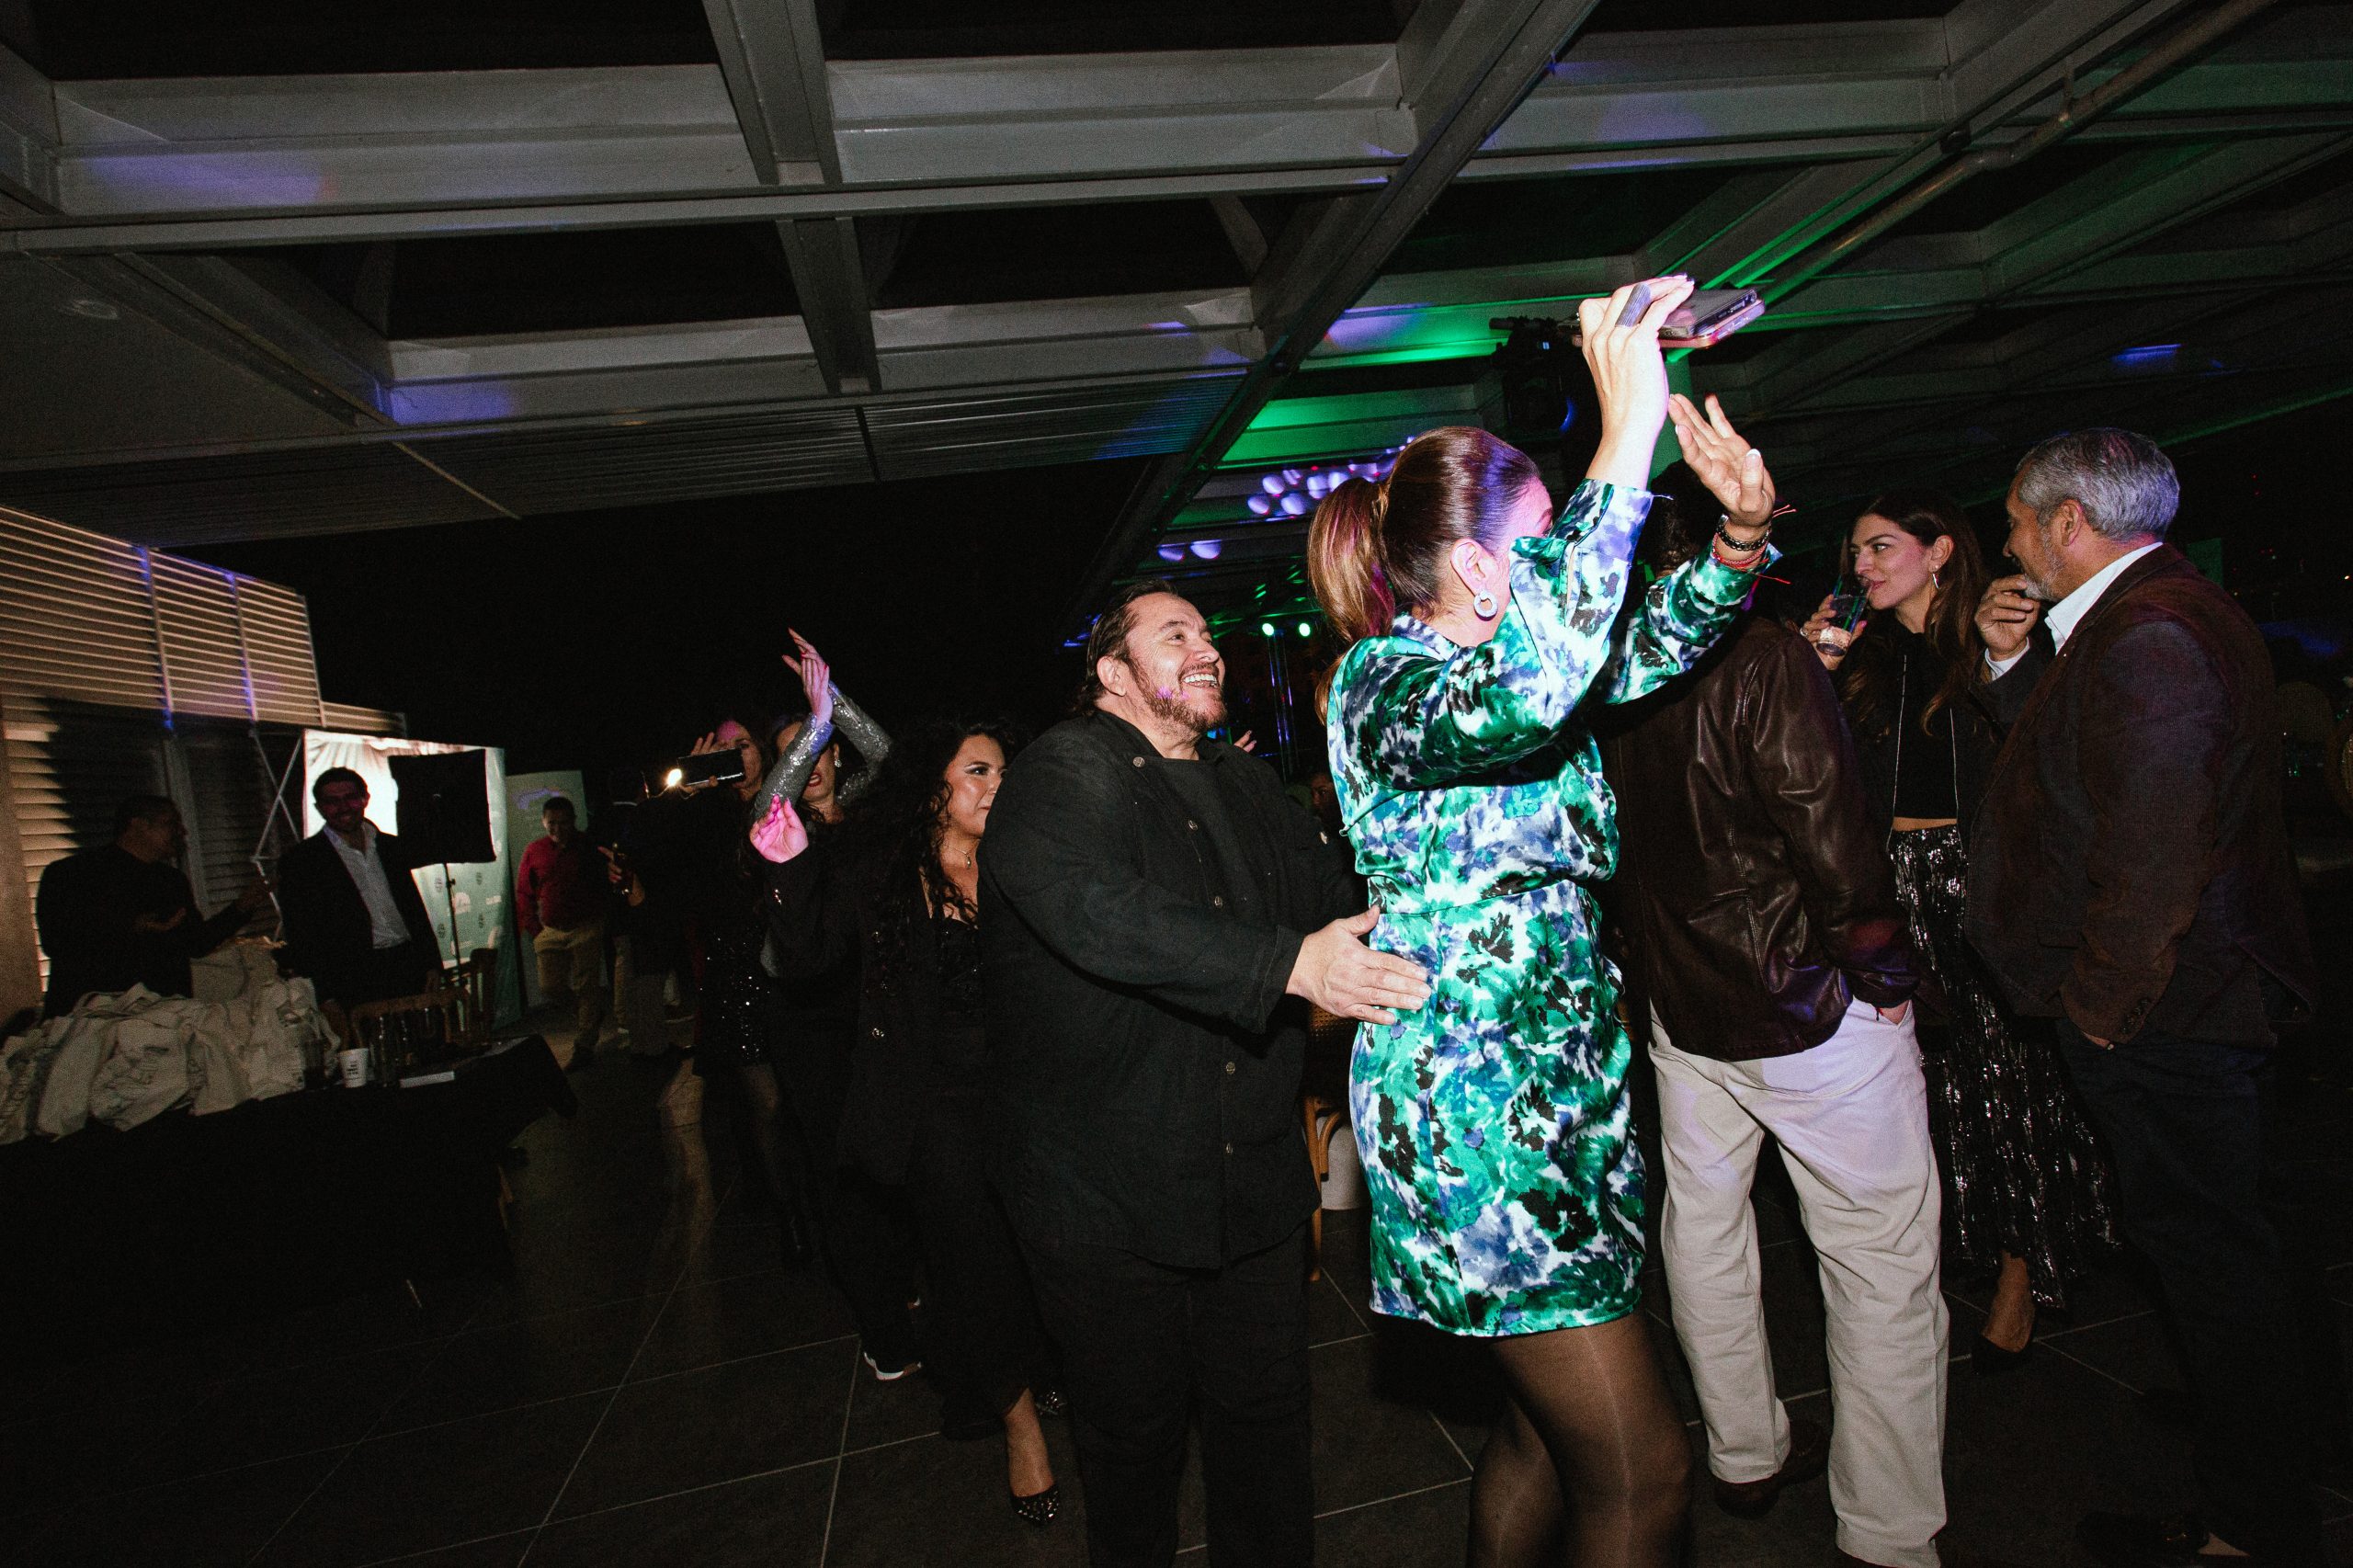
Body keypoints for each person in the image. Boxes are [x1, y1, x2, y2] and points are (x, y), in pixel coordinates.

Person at [1308, 278, 1776, 1568]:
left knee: (1540, 1433)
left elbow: (1634, 645)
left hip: (1558, 1091)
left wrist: (1739, 538)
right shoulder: (1384, 683)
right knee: (1644, 1473)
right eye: (1542, 537)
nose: (1572, 559)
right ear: (1476, 566)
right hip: (1478, 1115)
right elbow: (1539, 680)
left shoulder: (1519, 663)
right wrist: (1622, 439)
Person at [980, 580, 1415, 1568]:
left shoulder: (1243, 783)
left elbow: (1337, 893)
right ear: (1112, 672)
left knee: (1267, 1428)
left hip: (1249, 1177)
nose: (1206, 647)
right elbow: (1101, 910)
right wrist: (1289, 964)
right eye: (1174, 634)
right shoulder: (1062, 771)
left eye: (1208, 633)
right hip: (1106, 1194)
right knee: (1132, 1448)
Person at [1967, 429, 2324, 1568]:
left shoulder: (2151, 633)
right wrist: (2010, 666)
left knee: (2215, 1263)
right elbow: (2087, 768)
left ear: (2068, 521)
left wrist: (2099, 1009)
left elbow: (2154, 853)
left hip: (2172, 1011)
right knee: (2228, 1253)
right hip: (2190, 1000)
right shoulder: (2154, 611)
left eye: (2016, 523)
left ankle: (2251, 1518)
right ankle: (2253, 1427)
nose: (2010, 546)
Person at [1603, 496, 1942, 1568]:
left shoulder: (1612, 672)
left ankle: (1744, 1450)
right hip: (1803, 1004)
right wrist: (1883, 974)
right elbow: (1831, 838)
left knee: (1704, 1230)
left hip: (1684, 1008)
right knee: (1878, 1261)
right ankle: (1886, 1527)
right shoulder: (1762, 658)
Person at [1802, 491, 2117, 1364]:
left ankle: (2024, 1266)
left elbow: (2050, 758)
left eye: (1880, 546)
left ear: (1939, 551)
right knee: (1941, 1082)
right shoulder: (1867, 660)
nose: (1861, 565)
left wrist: (1997, 656)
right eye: (1855, 552)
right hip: (1894, 884)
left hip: (1981, 883)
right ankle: (1976, 1243)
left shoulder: (1991, 639)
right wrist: (1811, 673)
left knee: (2010, 1075)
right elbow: (1820, 777)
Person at [756, 716, 1061, 1526]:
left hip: (1028, 1094)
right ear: (934, 790)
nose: (996, 786)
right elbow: (806, 955)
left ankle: (1033, 1363)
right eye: (978, 771)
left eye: (1002, 772)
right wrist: (790, 867)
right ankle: (1020, 1426)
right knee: (973, 1262)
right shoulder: (885, 870)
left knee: (1035, 1247)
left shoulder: (1022, 861)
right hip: (932, 1106)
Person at [37, 794, 272, 1017]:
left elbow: (196, 942)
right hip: (93, 1019)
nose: (181, 831)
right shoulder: (71, 874)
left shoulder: (171, 880)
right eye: (171, 823)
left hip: (161, 1018)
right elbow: (56, 941)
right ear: (138, 825)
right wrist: (132, 925)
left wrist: (240, 908)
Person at [278, 768, 440, 1012]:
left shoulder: (389, 846)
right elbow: (301, 934)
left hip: (408, 964)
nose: (343, 807)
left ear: (365, 799)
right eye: (332, 801)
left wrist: (431, 963)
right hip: (354, 977)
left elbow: (414, 909)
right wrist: (324, 995)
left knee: (427, 1034)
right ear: (320, 808)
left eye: (350, 798)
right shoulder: (302, 861)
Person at [516, 795, 608, 1062]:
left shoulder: (588, 846)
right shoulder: (535, 850)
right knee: (550, 987)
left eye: (563, 822)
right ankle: (589, 1014)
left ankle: (584, 1045)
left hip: (585, 927)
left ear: (573, 821)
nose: (557, 828)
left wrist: (599, 917)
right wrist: (535, 930)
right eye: (552, 823)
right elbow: (524, 891)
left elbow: (603, 882)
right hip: (551, 931)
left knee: (587, 986)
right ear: (543, 822)